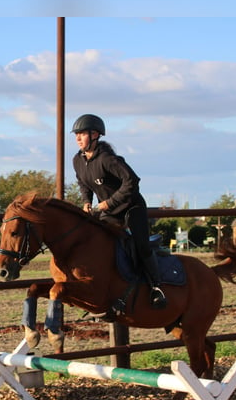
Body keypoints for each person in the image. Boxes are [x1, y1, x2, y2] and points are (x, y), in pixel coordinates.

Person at [71, 113, 167, 309]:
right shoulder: (77, 160)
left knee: (140, 246)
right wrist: (86, 202)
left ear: (95, 135)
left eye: (82, 134)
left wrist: (110, 202)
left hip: (131, 207)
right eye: (76, 134)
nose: (78, 138)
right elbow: (83, 184)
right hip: (109, 212)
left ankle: (156, 287)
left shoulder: (107, 159)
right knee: (99, 243)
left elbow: (132, 181)